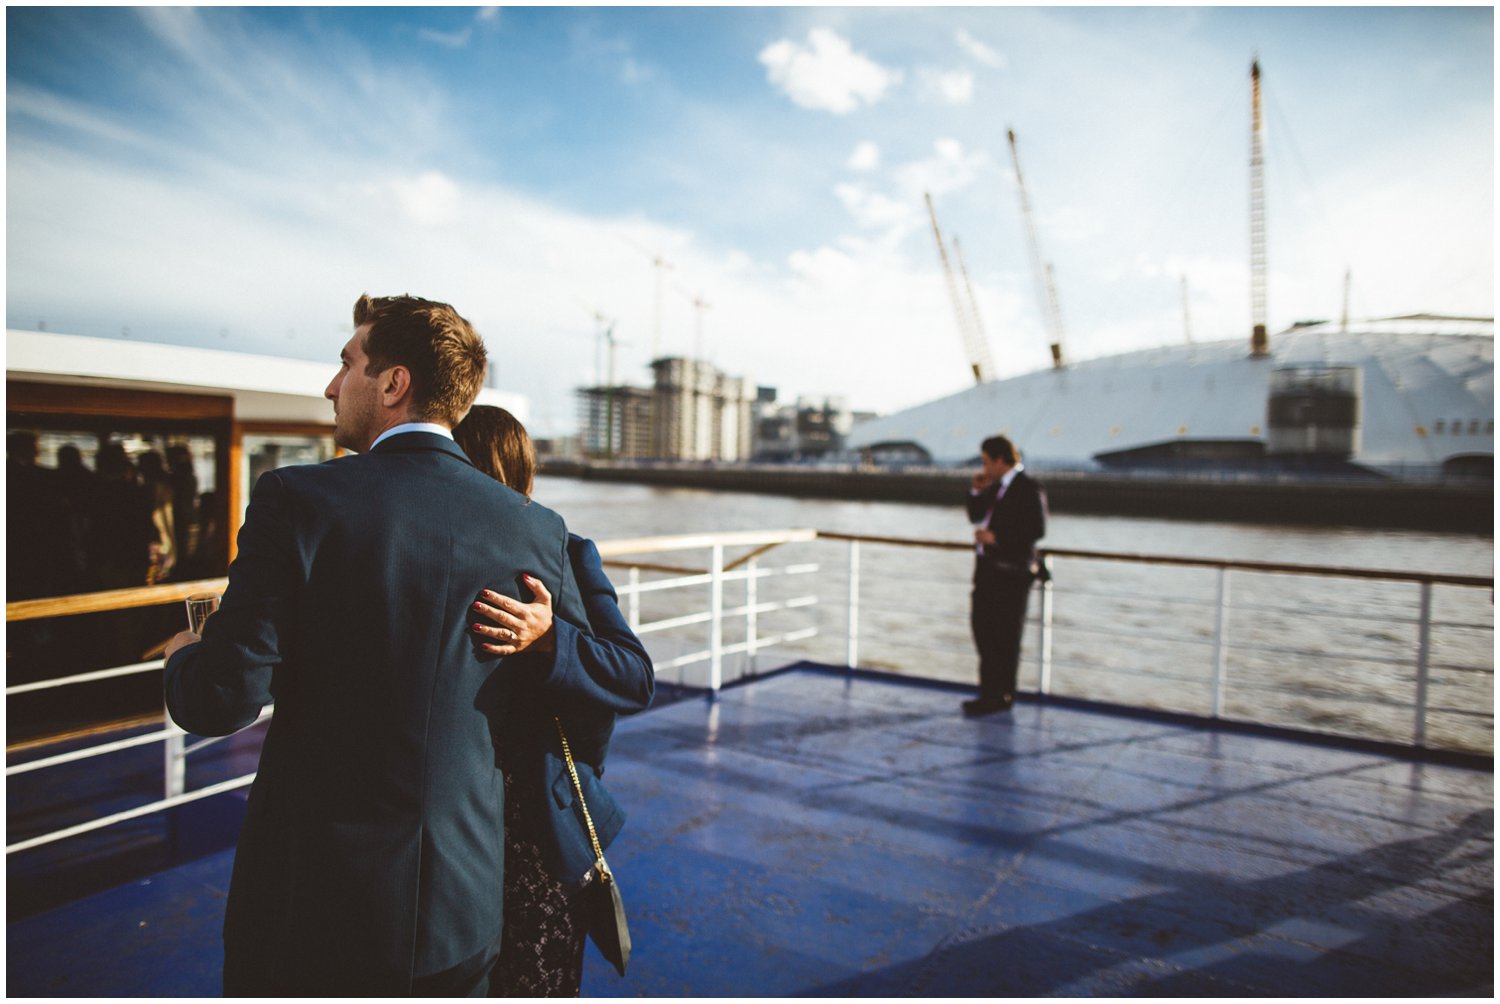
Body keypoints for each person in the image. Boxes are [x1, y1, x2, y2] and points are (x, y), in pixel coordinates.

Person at [163, 294, 597, 996]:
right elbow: (592, 681)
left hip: (314, 906)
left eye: (346, 364)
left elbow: (221, 698)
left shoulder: (296, 501)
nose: (332, 386)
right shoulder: (536, 528)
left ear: (394, 384)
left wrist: (188, 650)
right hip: (462, 906)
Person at [453, 404, 653, 997]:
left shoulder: (565, 554)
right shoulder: (438, 558)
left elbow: (634, 674)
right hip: (458, 812)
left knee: (533, 977)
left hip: (534, 817)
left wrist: (550, 640)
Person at [963, 434, 1047, 715]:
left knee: (1006, 637)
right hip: (987, 572)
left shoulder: (1028, 488)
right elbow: (975, 515)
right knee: (983, 631)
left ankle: (1002, 695)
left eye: (986, 462)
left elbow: (1036, 529)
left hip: (1010, 575)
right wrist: (976, 491)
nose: (984, 467)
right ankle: (989, 692)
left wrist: (996, 537)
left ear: (1001, 461)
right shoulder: (995, 487)